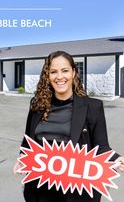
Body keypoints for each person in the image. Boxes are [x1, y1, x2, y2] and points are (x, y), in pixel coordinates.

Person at [13, 50, 124, 202]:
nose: (59, 77)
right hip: (39, 191)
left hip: (77, 193)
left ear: (73, 72)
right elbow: (27, 142)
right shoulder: (37, 106)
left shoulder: (92, 107)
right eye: (53, 72)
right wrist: (22, 157)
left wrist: (116, 160)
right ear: (48, 76)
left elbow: (101, 147)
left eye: (64, 70)